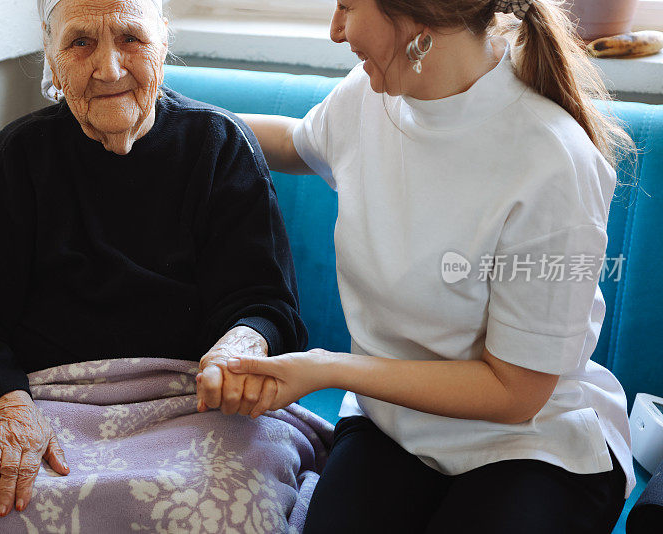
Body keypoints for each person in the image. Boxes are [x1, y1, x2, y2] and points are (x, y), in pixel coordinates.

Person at [222, 0, 638, 532]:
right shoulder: (369, 97)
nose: (335, 30)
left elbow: (515, 393)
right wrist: (165, 113)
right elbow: (292, 142)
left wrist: (325, 367)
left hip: (528, 445)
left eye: (348, 5)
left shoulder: (553, 161)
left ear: (418, 23)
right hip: (393, 428)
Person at [0, 0, 306, 518]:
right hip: (44, 404)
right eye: (80, 43)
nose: (109, 68)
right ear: (52, 61)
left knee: (227, 510)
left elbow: (266, 302)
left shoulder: (220, 144)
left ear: (163, 41)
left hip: (194, 405)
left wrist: (240, 343)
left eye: (130, 38)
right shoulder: (20, 156)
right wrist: (5, 406)